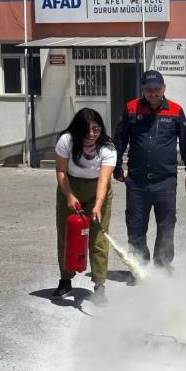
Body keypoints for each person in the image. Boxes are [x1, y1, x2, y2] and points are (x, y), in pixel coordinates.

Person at [114, 70, 186, 276]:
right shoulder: (131, 109)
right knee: (135, 227)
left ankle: (162, 267)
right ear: (143, 90)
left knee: (166, 226)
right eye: (148, 90)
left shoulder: (175, 110)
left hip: (165, 181)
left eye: (157, 89)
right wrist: (116, 166)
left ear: (164, 89)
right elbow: (119, 140)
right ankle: (140, 268)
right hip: (136, 181)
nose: (153, 93)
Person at [51, 108, 116, 306]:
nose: (91, 135)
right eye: (86, 131)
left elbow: (104, 180)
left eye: (96, 130)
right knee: (66, 234)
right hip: (70, 186)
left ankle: (99, 285)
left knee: (98, 239)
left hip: (98, 190)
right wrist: (70, 196)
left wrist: (97, 205)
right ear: (77, 130)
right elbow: (61, 171)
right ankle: (65, 279)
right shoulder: (67, 141)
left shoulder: (108, 147)